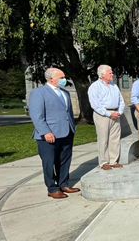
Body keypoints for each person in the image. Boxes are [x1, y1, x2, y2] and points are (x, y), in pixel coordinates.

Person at [29, 67, 78, 199]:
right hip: (49, 134)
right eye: (61, 78)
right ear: (51, 78)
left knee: (64, 160)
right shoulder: (39, 93)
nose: (64, 80)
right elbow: (36, 115)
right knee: (49, 162)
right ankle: (52, 188)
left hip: (67, 132)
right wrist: (45, 131)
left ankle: (63, 184)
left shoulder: (65, 93)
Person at [88, 65, 125, 170]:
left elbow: (121, 101)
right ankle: (104, 162)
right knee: (103, 138)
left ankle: (113, 160)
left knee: (115, 138)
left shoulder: (114, 86)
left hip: (115, 113)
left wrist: (119, 112)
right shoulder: (95, 87)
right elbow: (95, 105)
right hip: (103, 115)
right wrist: (109, 114)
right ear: (102, 74)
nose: (112, 74)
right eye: (110, 73)